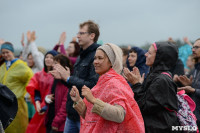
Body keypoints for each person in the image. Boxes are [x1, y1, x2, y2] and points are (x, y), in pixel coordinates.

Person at [69, 43, 144, 132]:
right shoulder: (102, 82)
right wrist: (77, 100)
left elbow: (119, 115)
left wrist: (93, 100)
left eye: (100, 58)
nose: (95, 62)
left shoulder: (114, 83)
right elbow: (91, 116)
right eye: (95, 58)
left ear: (111, 62)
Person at [50, 20, 100, 133]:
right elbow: (74, 84)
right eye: (78, 33)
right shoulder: (81, 55)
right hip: (72, 113)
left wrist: (68, 77)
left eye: (82, 33)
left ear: (92, 36)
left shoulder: (96, 56)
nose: (77, 36)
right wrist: (62, 78)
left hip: (86, 114)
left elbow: (92, 85)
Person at [124, 41, 179, 132]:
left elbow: (144, 107)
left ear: (159, 57)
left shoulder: (162, 80)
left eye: (149, 53)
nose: (145, 54)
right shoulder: (155, 75)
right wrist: (140, 85)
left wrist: (136, 84)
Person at [0, 42, 33, 133]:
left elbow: (31, 78)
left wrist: (26, 93)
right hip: (4, 104)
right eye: (3, 53)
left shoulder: (21, 65)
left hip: (18, 104)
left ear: (12, 52)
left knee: (19, 128)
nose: (5, 55)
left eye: (7, 52)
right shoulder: (2, 67)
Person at [26, 50, 58, 133]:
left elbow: (57, 93)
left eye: (51, 57)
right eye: (47, 57)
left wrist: (45, 105)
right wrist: (37, 102)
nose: (48, 59)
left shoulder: (57, 75)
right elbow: (36, 89)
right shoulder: (38, 74)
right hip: (40, 107)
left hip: (51, 109)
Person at [45, 54, 72, 133]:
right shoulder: (54, 79)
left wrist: (56, 122)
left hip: (60, 125)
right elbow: (50, 96)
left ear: (64, 67)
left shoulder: (66, 84)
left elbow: (65, 107)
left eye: (56, 63)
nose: (53, 65)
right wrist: (47, 98)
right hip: (51, 120)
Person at [176, 38, 200, 129]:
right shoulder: (195, 69)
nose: (193, 50)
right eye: (193, 47)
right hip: (195, 117)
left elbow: (195, 90)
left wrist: (193, 90)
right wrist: (189, 85)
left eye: (197, 47)